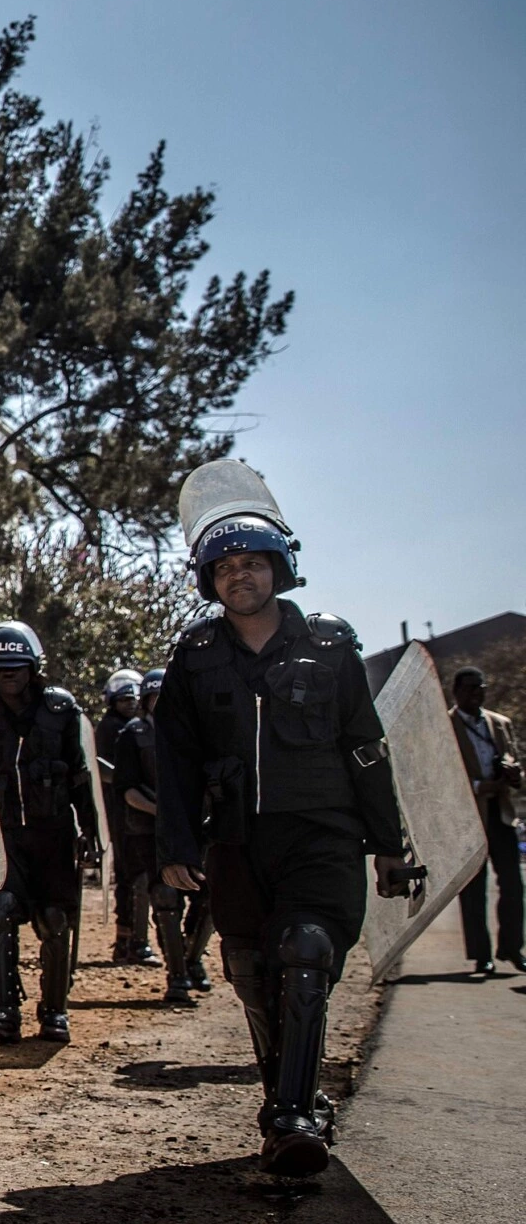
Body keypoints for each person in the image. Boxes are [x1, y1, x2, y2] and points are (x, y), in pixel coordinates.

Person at [155, 463, 419, 1177]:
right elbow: (173, 760)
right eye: (224, 566)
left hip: (323, 837)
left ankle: (293, 1116)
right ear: (208, 579)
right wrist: (176, 844)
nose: (239, 576)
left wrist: (391, 846)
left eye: (251, 562)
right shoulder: (196, 656)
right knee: (253, 971)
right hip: (237, 841)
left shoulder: (330, 648)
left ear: (279, 568)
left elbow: (366, 750)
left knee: (305, 950)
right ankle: (288, 1101)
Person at [0, 623, 101, 1044]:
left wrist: (91, 830)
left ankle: (54, 1012)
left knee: (55, 920)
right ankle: (3, 1010)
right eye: (0, 668)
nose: (9, 676)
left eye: (17, 668)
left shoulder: (61, 710)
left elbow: (80, 775)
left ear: (34, 668)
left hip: (54, 835)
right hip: (3, 836)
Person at [116, 669, 209, 1006]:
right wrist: (163, 813)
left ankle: (192, 957)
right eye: (156, 698)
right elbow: (127, 789)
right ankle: (178, 976)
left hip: (198, 831)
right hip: (150, 834)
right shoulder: (134, 734)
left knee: (209, 899)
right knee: (166, 899)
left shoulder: (199, 733)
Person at [449, 666, 524, 977]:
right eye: (470, 688)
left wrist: (512, 773)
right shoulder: (445, 725)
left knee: (512, 885)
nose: (476, 693)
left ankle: (511, 948)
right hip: (468, 816)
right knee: (473, 889)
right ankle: (482, 956)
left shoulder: (500, 723)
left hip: (501, 813)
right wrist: (479, 786)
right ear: (457, 692)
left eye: (481, 688)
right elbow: (440, 774)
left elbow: (516, 760)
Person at [96, 669, 156, 965]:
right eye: (123, 699)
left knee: (138, 876)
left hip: (138, 809)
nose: (129, 702)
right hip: (120, 810)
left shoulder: (146, 730)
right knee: (128, 874)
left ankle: (134, 939)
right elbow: (107, 771)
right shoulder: (112, 728)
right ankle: (127, 940)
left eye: (133, 697)